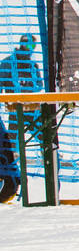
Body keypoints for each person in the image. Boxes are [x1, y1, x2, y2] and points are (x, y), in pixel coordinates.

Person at [0, 34, 39, 203]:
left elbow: (39, 85)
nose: (28, 50)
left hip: (31, 107)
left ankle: (49, 150)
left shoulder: (32, 65)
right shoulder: (8, 63)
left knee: (40, 130)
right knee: (13, 134)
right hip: (15, 108)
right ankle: (13, 153)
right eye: (26, 46)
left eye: (31, 47)